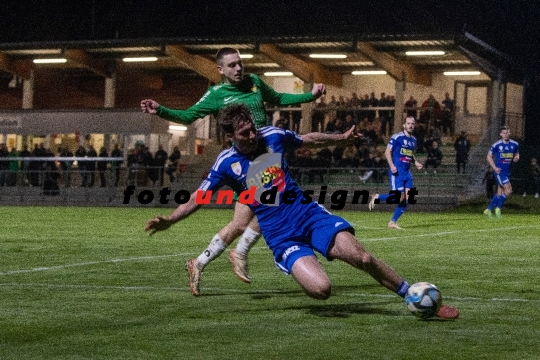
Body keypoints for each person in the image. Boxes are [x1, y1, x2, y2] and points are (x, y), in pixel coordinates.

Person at [144, 104, 459, 319]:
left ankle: (411, 295)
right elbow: (198, 198)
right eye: (244, 134)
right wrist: (170, 219)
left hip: (310, 215)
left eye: (251, 129)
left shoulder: (272, 137)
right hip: (281, 236)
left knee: (362, 257)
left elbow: (308, 138)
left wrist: (341, 138)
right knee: (322, 291)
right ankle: (289, 261)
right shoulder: (226, 163)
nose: (252, 136)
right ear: (231, 136)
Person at [141, 47, 326, 289]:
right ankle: (239, 252)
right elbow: (189, 116)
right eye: (232, 65)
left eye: (240, 63)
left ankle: (198, 262)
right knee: (270, 207)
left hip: (264, 156)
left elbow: (279, 98)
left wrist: (309, 96)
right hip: (243, 161)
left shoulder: (254, 82)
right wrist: (161, 110)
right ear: (220, 70)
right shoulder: (216, 94)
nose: (238, 68)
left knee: (241, 223)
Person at [368, 116, 423, 229]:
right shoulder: (397, 137)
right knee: (399, 197)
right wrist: (392, 165)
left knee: (407, 198)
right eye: (408, 123)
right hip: (397, 172)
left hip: (407, 173)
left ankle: (392, 222)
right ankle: (377, 196)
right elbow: (387, 152)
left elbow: (409, 154)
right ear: (404, 125)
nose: (410, 125)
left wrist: (416, 162)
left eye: (412, 123)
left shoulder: (413, 140)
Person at [484, 126, 519, 218]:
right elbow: (488, 157)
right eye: (503, 133)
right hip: (500, 172)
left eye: (507, 132)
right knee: (509, 190)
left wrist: (516, 157)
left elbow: (517, 153)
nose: (505, 134)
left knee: (499, 193)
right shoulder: (497, 145)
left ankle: (489, 209)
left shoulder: (515, 144)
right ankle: (498, 208)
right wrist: (495, 167)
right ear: (500, 134)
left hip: (507, 172)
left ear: (510, 133)